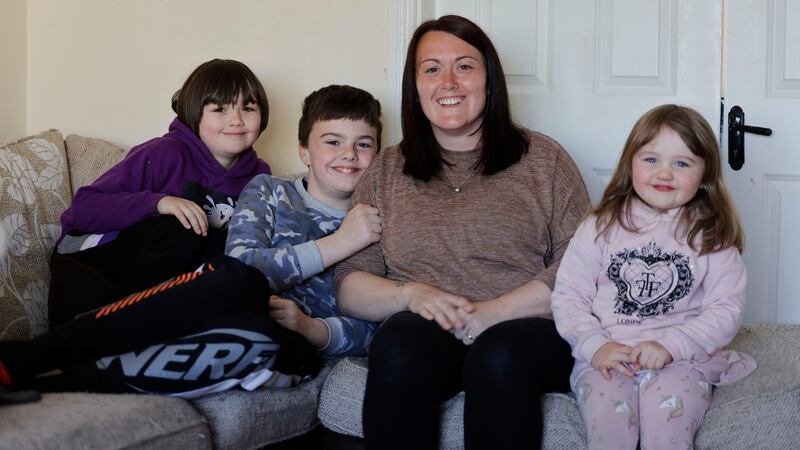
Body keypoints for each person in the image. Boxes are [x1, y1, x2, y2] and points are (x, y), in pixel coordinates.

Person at [0, 84, 382, 401]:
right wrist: (341, 242)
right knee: (236, 278)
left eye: (364, 145)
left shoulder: (380, 223)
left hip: (283, 339)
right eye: (333, 141)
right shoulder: (268, 189)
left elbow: (376, 325)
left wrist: (314, 329)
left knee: (262, 339)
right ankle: (28, 358)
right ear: (304, 151)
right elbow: (246, 264)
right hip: (227, 301)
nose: (349, 154)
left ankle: (51, 382)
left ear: (378, 156)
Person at [334, 15, 591, 449]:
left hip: (524, 333)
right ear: (415, 87)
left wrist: (490, 314)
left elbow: (583, 267)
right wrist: (409, 295)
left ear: (490, 81)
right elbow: (349, 286)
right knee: (398, 342)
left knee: (498, 352)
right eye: (432, 69)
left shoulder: (544, 160)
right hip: (428, 335)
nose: (448, 82)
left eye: (465, 66)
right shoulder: (387, 171)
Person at [551, 105, 757, 449]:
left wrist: (671, 346)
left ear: (705, 174)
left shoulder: (711, 235)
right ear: (630, 163)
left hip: (681, 360)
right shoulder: (599, 226)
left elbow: (726, 310)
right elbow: (569, 296)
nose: (664, 173)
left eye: (682, 163)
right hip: (609, 356)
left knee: (666, 429)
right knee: (610, 430)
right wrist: (596, 346)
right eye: (651, 159)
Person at [49, 58, 271, 327]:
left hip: (158, 285)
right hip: (87, 268)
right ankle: (115, 326)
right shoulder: (163, 153)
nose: (236, 120)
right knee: (183, 227)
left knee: (230, 254)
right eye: (220, 109)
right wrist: (159, 203)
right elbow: (84, 207)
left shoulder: (260, 179)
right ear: (195, 113)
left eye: (248, 108)